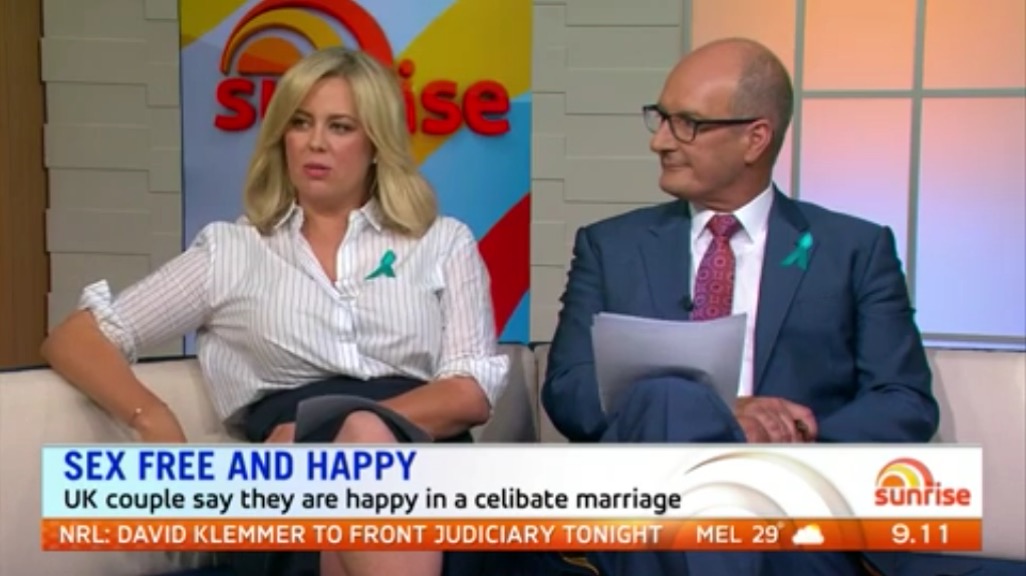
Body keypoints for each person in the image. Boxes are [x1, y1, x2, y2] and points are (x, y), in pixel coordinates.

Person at [40, 46, 509, 576]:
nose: (315, 142)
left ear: (377, 144)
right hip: (290, 486)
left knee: (364, 446)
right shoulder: (232, 251)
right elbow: (76, 338)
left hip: (425, 465)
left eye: (339, 127)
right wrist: (155, 422)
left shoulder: (442, 242)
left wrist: (333, 430)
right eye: (300, 123)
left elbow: (469, 393)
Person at [540, 38, 940, 576]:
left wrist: (780, 437)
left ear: (756, 138)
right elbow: (567, 390)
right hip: (644, 502)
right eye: (660, 118)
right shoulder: (610, 247)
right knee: (667, 398)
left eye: (687, 123)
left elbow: (903, 400)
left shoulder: (853, 250)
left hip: (792, 508)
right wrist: (711, 416)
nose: (660, 141)